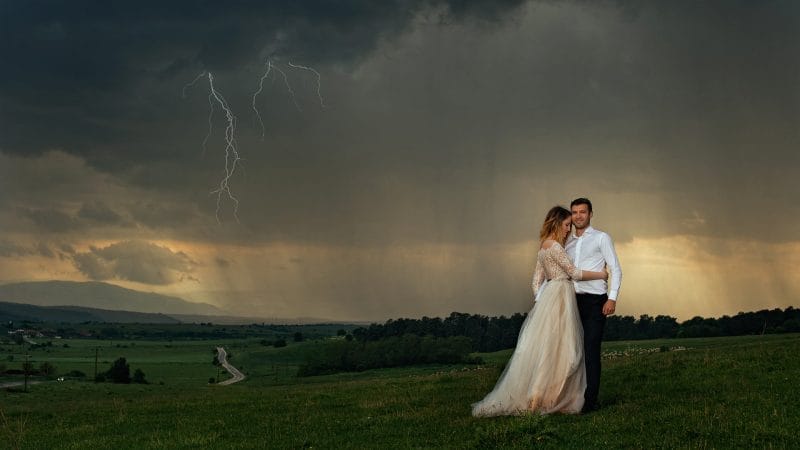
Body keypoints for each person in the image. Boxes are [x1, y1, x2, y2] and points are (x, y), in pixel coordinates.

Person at [471, 206, 608, 416]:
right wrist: (601, 274)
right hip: (561, 296)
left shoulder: (542, 248)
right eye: (566, 225)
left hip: (551, 297)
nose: (568, 230)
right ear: (556, 223)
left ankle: (539, 397)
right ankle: (545, 398)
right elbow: (574, 273)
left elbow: (535, 281)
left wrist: (543, 301)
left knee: (548, 350)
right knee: (565, 350)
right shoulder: (555, 247)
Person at [565, 198, 622, 413]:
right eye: (574, 212)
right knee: (571, 352)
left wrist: (612, 298)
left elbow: (615, 269)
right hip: (571, 301)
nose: (578, 216)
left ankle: (590, 402)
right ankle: (571, 398)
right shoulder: (567, 243)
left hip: (595, 301)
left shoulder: (601, 238)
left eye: (582, 212)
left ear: (590, 214)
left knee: (590, 350)